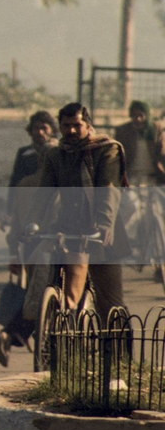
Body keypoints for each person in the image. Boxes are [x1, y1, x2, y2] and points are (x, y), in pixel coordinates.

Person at [32, 103, 128, 323]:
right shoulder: (56, 154)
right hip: (69, 228)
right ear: (60, 127)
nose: (72, 130)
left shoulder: (106, 149)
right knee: (51, 287)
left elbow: (109, 190)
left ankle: (117, 353)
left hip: (102, 230)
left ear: (88, 124)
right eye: (66, 126)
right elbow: (44, 193)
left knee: (110, 302)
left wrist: (104, 223)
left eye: (77, 125)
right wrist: (33, 224)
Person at [0, 111, 57, 365]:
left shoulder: (56, 160)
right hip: (43, 239)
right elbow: (13, 189)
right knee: (39, 293)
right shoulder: (27, 161)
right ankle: (15, 333)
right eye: (36, 128)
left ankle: (14, 334)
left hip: (32, 237)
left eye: (45, 128)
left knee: (36, 293)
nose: (40, 133)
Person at [114, 101, 165, 277]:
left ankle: (159, 262)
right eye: (134, 115)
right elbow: (118, 157)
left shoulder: (156, 130)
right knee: (131, 207)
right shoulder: (123, 132)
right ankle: (130, 245)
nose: (138, 119)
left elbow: (162, 153)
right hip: (131, 179)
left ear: (147, 115)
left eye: (141, 115)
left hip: (152, 178)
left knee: (157, 216)